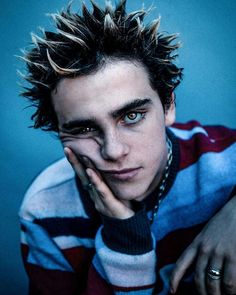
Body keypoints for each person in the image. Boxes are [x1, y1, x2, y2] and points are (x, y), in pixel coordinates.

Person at [19, 1, 236, 294]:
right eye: (83, 128)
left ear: (168, 105)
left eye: (132, 116)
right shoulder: (44, 211)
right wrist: (124, 240)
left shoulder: (227, 159)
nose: (113, 151)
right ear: (58, 131)